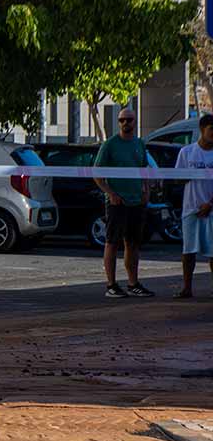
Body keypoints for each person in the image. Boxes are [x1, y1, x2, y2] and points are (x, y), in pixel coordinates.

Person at [93, 107, 154, 298]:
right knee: (112, 242)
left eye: (129, 120)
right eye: (121, 120)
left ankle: (133, 283)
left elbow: (144, 169)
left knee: (133, 243)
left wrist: (147, 190)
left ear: (135, 121)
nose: (125, 123)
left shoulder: (139, 143)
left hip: (136, 201)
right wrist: (110, 193)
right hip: (117, 202)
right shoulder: (110, 144)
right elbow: (97, 173)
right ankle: (111, 285)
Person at [174, 113, 213, 299]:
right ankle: (187, 287)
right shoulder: (187, 152)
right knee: (188, 250)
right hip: (191, 208)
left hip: (211, 209)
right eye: (211, 130)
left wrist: (210, 204)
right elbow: (177, 179)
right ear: (202, 129)